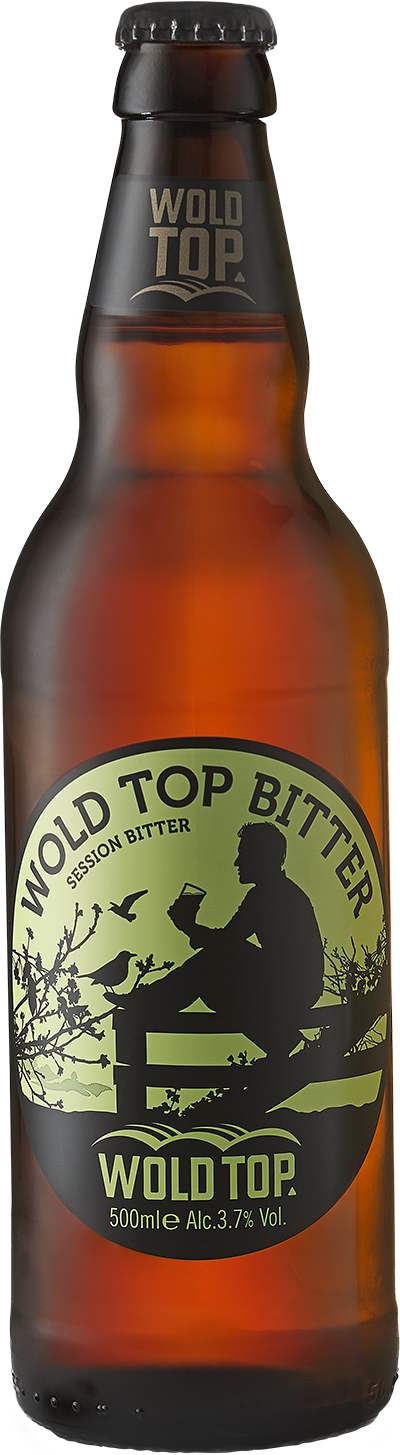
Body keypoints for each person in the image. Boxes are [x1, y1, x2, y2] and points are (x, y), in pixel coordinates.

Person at [148, 821, 325, 1065]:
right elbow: (228, 940)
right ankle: (285, 1043)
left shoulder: (268, 895)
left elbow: (227, 941)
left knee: (209, 968)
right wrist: (191, 928)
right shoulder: (274, 891)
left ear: (260, 857)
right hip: (293, 986)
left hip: (291, 990)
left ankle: (147, 1004)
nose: (237, 862)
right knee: (212, 966)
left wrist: (188, 926)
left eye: (243, 854)